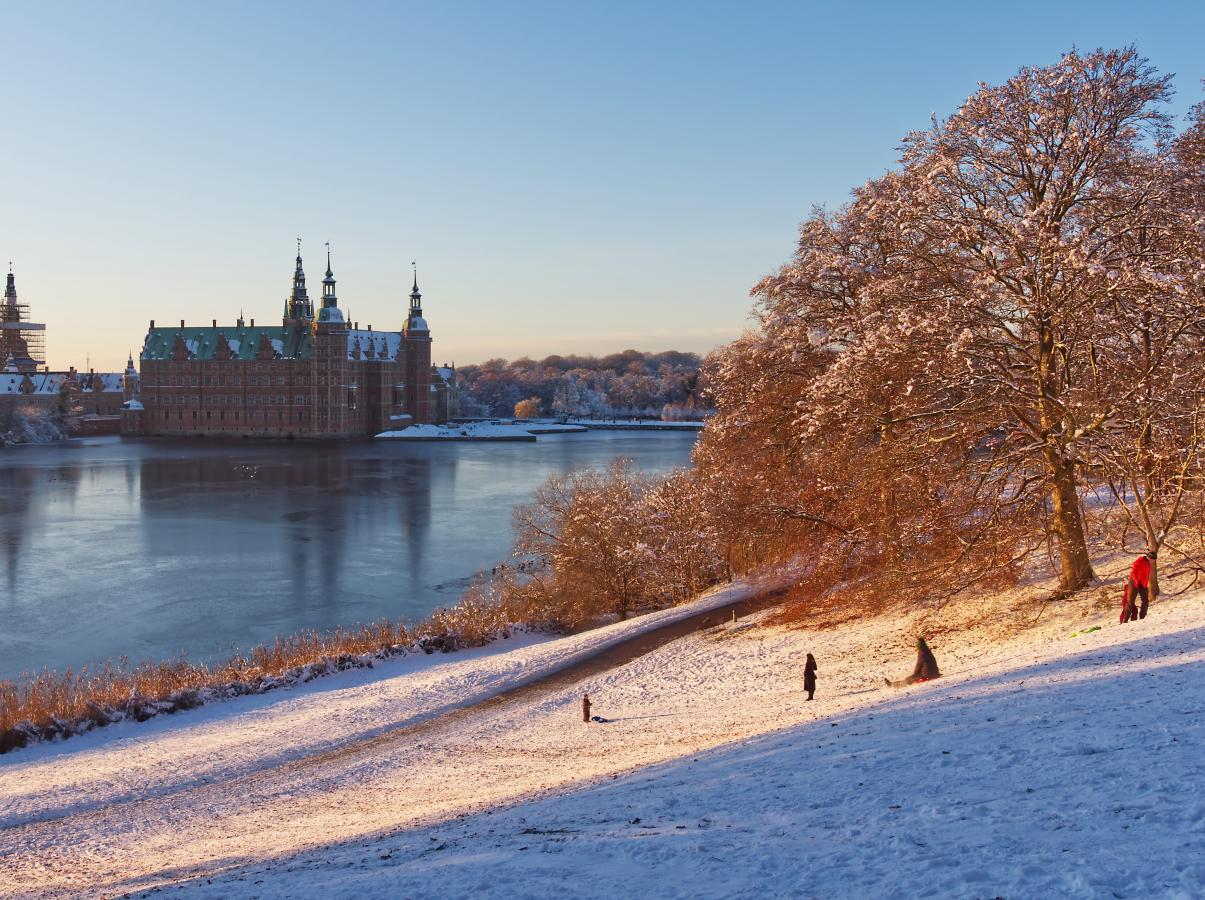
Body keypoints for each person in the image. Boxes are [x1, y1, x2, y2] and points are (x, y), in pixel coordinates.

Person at [1120, 551, 1156, 624]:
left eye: (1154, 560)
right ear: (1148, 557)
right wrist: (1137, 582)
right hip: (1134, 584)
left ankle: (1143, 617)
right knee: (1130, 602)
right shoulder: (1139, 561)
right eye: (1152, 560)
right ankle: (1125, 621)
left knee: (1145, 601)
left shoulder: (1149, 564)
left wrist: (1145, 585)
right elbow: (1133, 572)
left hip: (1143, 584)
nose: (1153, 561)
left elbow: (1145, 575)